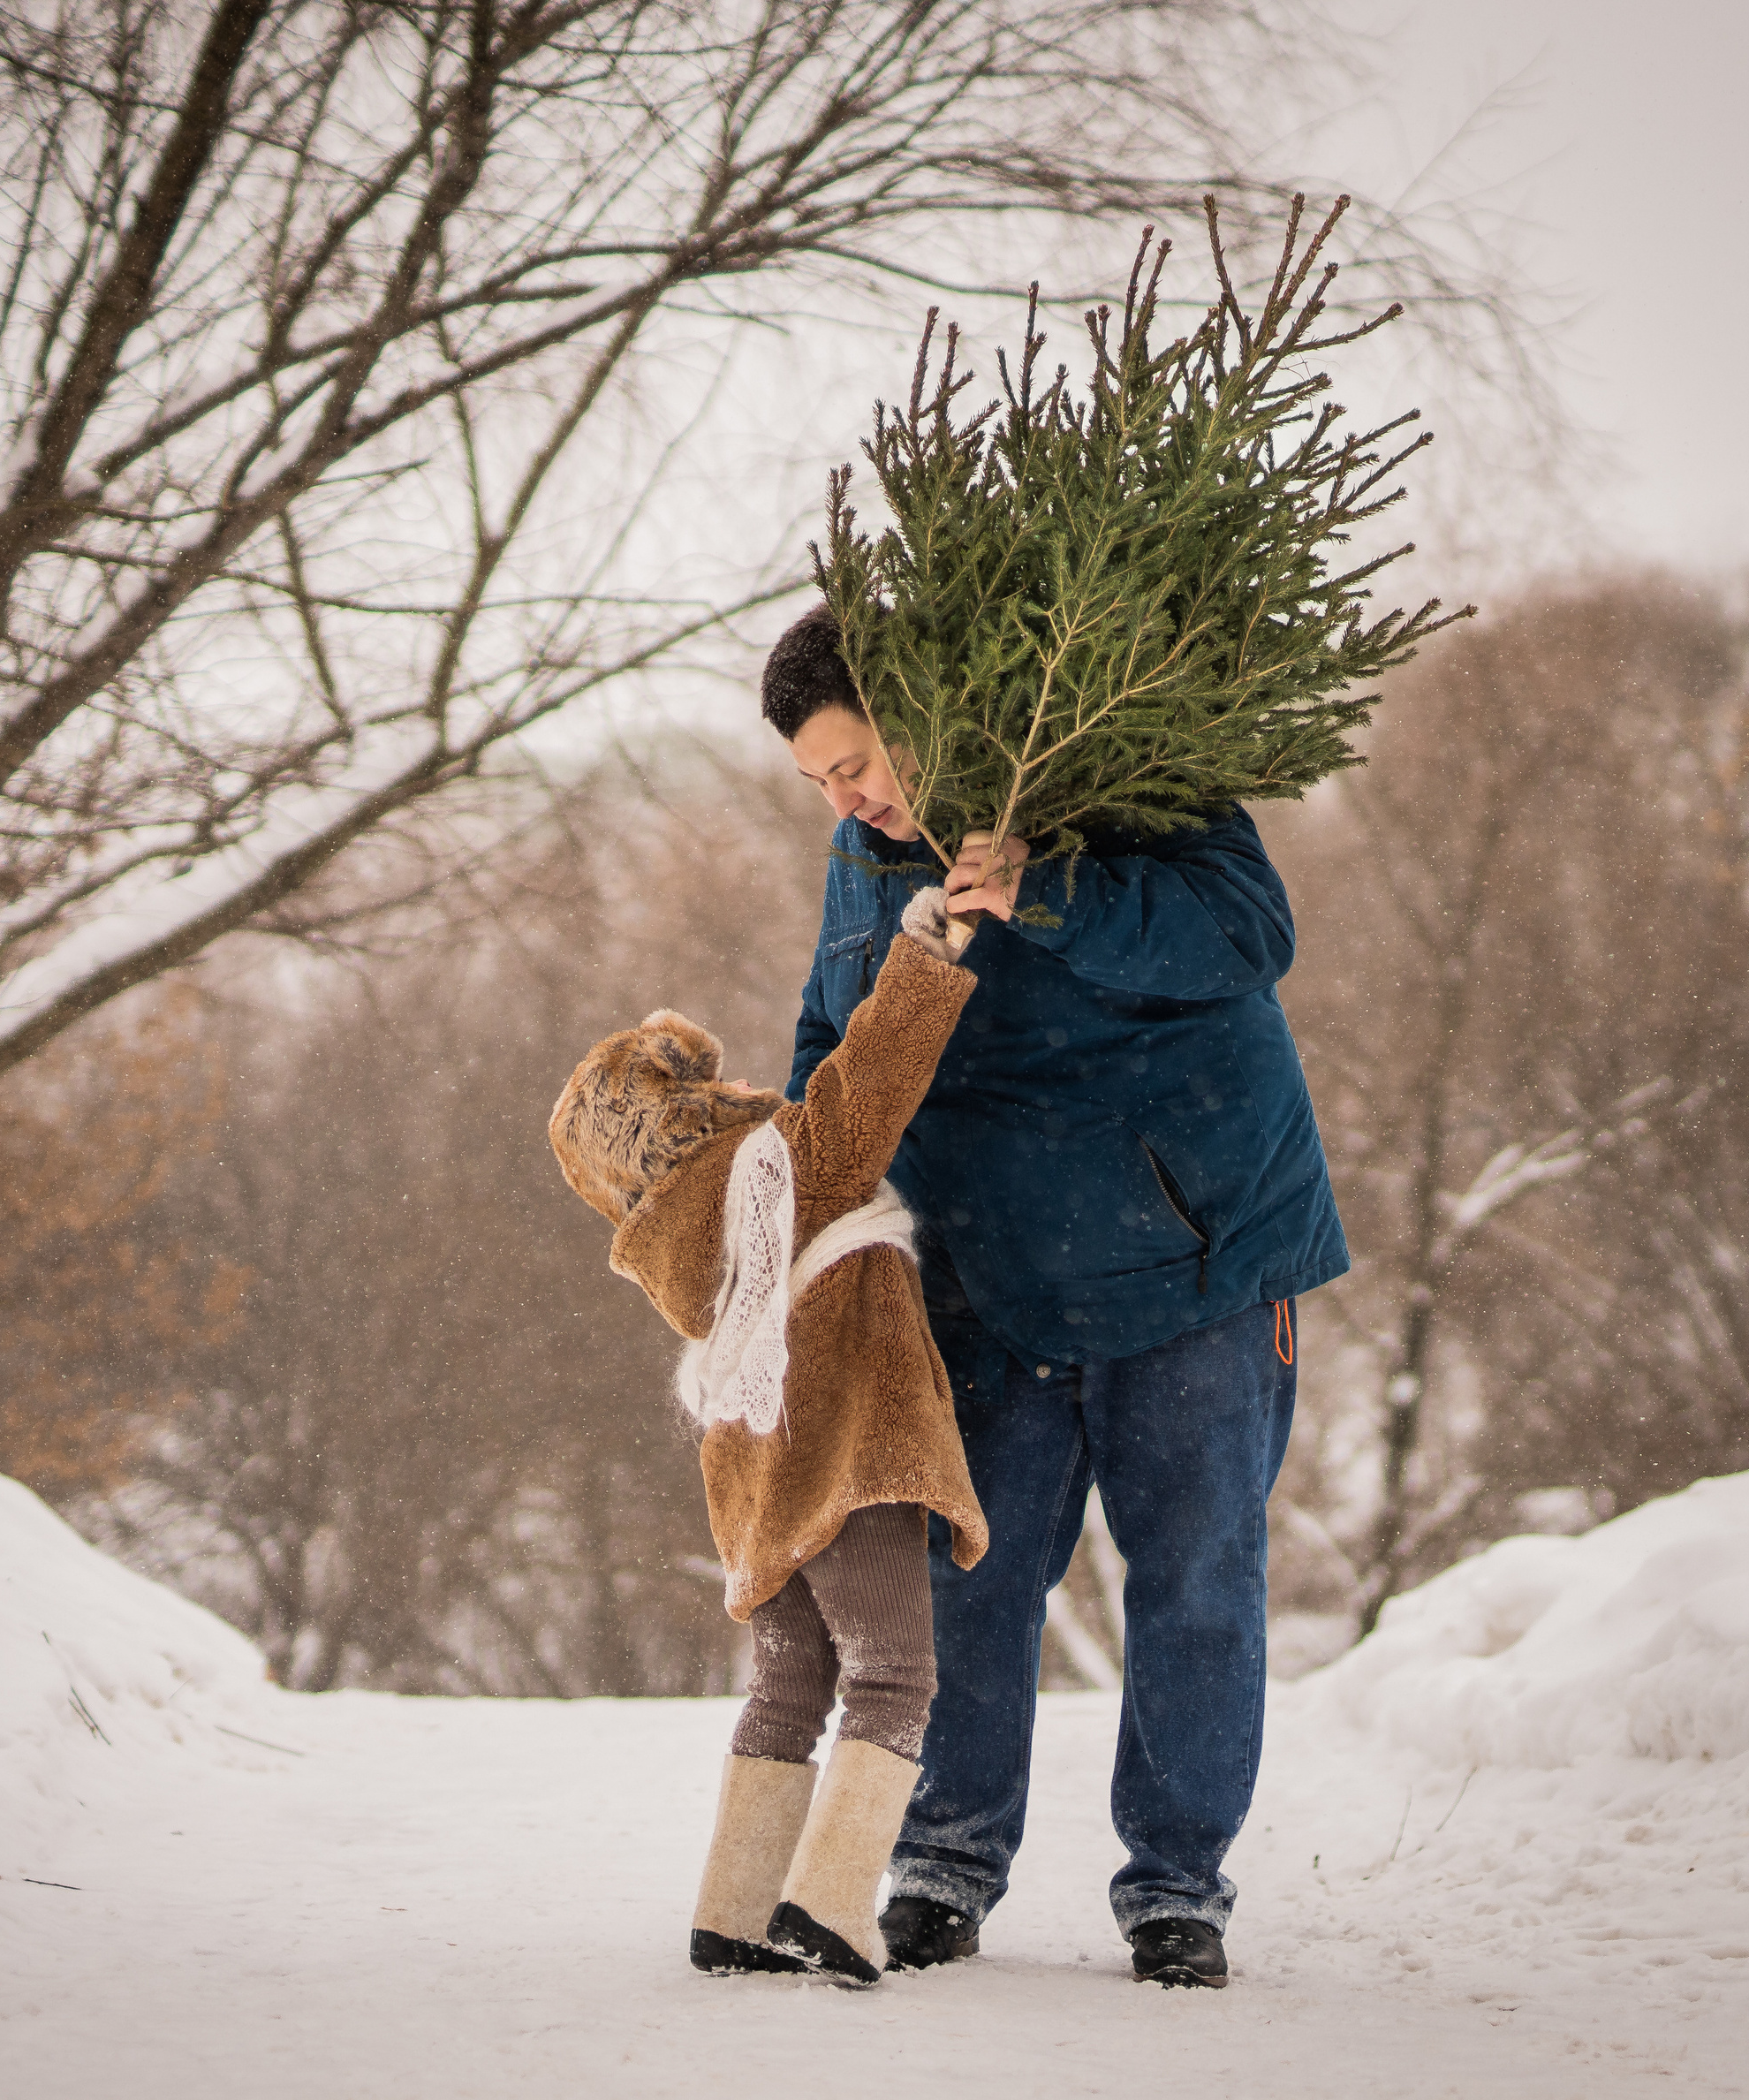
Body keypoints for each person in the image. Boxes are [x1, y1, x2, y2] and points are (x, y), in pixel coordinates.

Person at [761, 603, 1347, 1989]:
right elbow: (829, 1035)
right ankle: (946, 1864)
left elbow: (1245, 933)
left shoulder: (1125, 777)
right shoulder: (868, 854)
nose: (846, 798)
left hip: (1195, 1255)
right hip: (992, 1273)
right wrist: (797, 1187)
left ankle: (1177, 1887)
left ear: (927, 707)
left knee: (1198, 1578)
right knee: (974, 1577)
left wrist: (1046, 891)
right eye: (820, 782)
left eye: (855, 760)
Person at [547, 886, 991, 1986]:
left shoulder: (669, 1238)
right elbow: (869, 1083)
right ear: (679, 1116)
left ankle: (732, 1913)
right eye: (703, 1086)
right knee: (894, 1675)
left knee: (789, 1683)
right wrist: (927, 954)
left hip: (755, 1474)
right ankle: (832, 1906)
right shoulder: (773, 1172)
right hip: (845, 1450)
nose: (742, 1087)